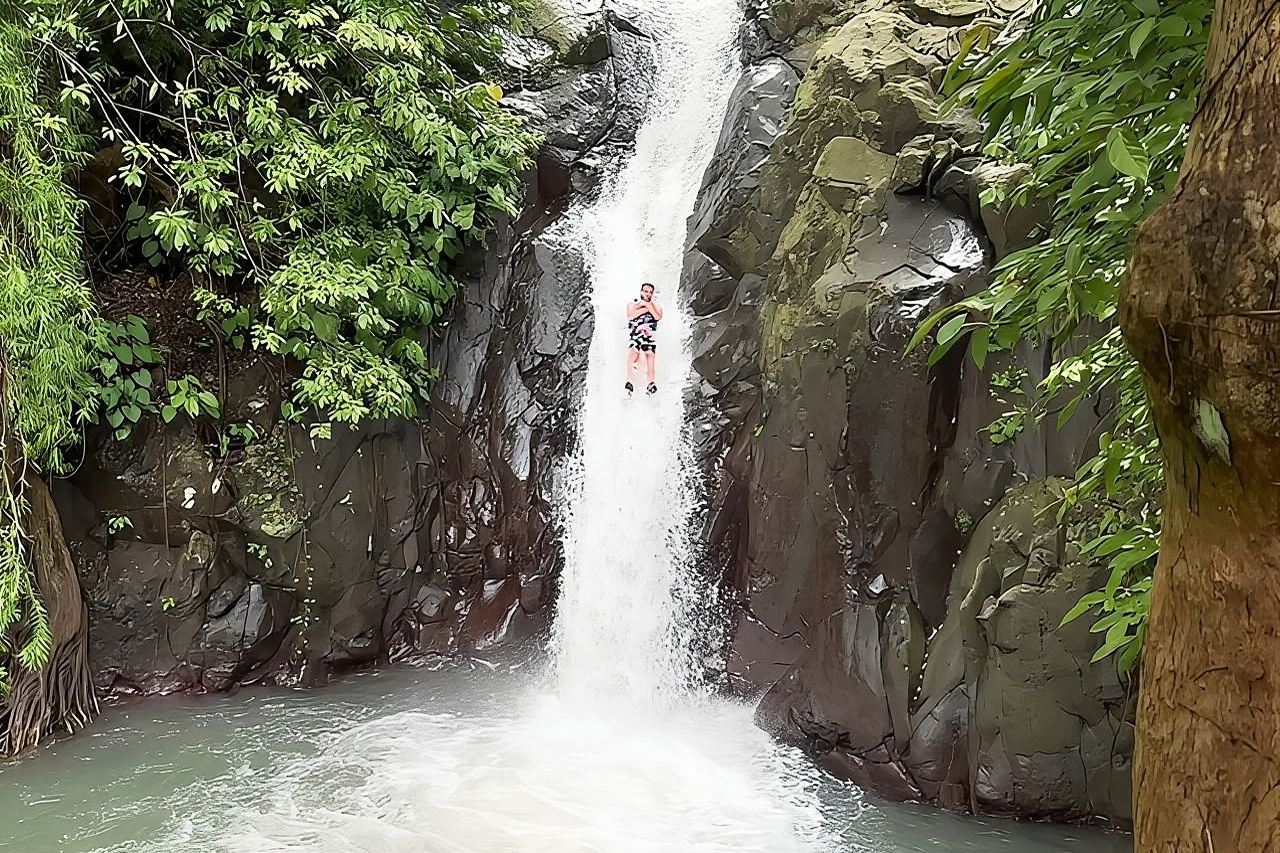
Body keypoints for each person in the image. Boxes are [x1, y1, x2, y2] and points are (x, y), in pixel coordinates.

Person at [624, 282, 663, 395]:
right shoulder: (633, 304)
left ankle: (650, 383)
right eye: (646, 291)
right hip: (636, 333)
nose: (648, 294)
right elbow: (630, 315)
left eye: (650, 292)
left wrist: (649, 305)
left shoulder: (655, 305)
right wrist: (646, 308)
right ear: (641, 292)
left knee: (650, 355)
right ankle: (629, 383)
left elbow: (658, 316)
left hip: (649, 335)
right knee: (633, 354)